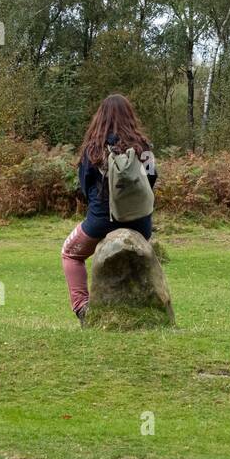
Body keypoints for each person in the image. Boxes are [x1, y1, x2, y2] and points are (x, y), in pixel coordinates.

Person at [62, 94, 158, 325]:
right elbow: (152, 179)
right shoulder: (143, 146)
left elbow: (84, 185)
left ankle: (82, 308)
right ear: (129, 115)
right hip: (140, 222)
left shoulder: (94, 147)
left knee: (70, 254)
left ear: (100, 117)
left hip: (101, 220)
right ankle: (141, 307)